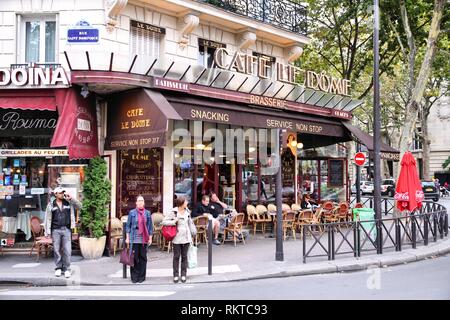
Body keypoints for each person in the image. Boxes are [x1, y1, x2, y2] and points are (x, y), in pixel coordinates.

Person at [44, 187, 82, 278]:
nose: (62, 194)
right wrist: (47, 232)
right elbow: (47, 219)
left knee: (67, 250)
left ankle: (67, 269)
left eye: (63, 192)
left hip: (66, 229)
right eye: (60, 193)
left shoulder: (68, 203)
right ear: (56, 194)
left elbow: (80, 206)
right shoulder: (51, 205)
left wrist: (71, 198)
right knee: (56, 250)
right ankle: (58, 268)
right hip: (55, 230)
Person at [161, 196, 196, 283]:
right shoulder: (174, 212)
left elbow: (190, 223)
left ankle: (183, 275)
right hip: (177, 237)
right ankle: (176, 275)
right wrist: (173, 221)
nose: (187, 203)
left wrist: (193, 233)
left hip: (186, 237)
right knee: (176, 257)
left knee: (184, 257)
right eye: (185, 202)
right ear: (181, 203)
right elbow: (163, 221)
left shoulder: (187, 211)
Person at [125, 195, 153, 284]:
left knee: (143, 257)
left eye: (142, 200)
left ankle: (142, 277)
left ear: (144, 203)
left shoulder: (147, 213)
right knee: (134, 258)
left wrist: (150, 238)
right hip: (134, 238)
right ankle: (134, 277)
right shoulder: (132, 213)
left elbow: (150, 227)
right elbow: (128, 226)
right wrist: (127, 238)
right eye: (139, 200)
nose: (140, 202)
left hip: (144, 239)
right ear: (136, 203)